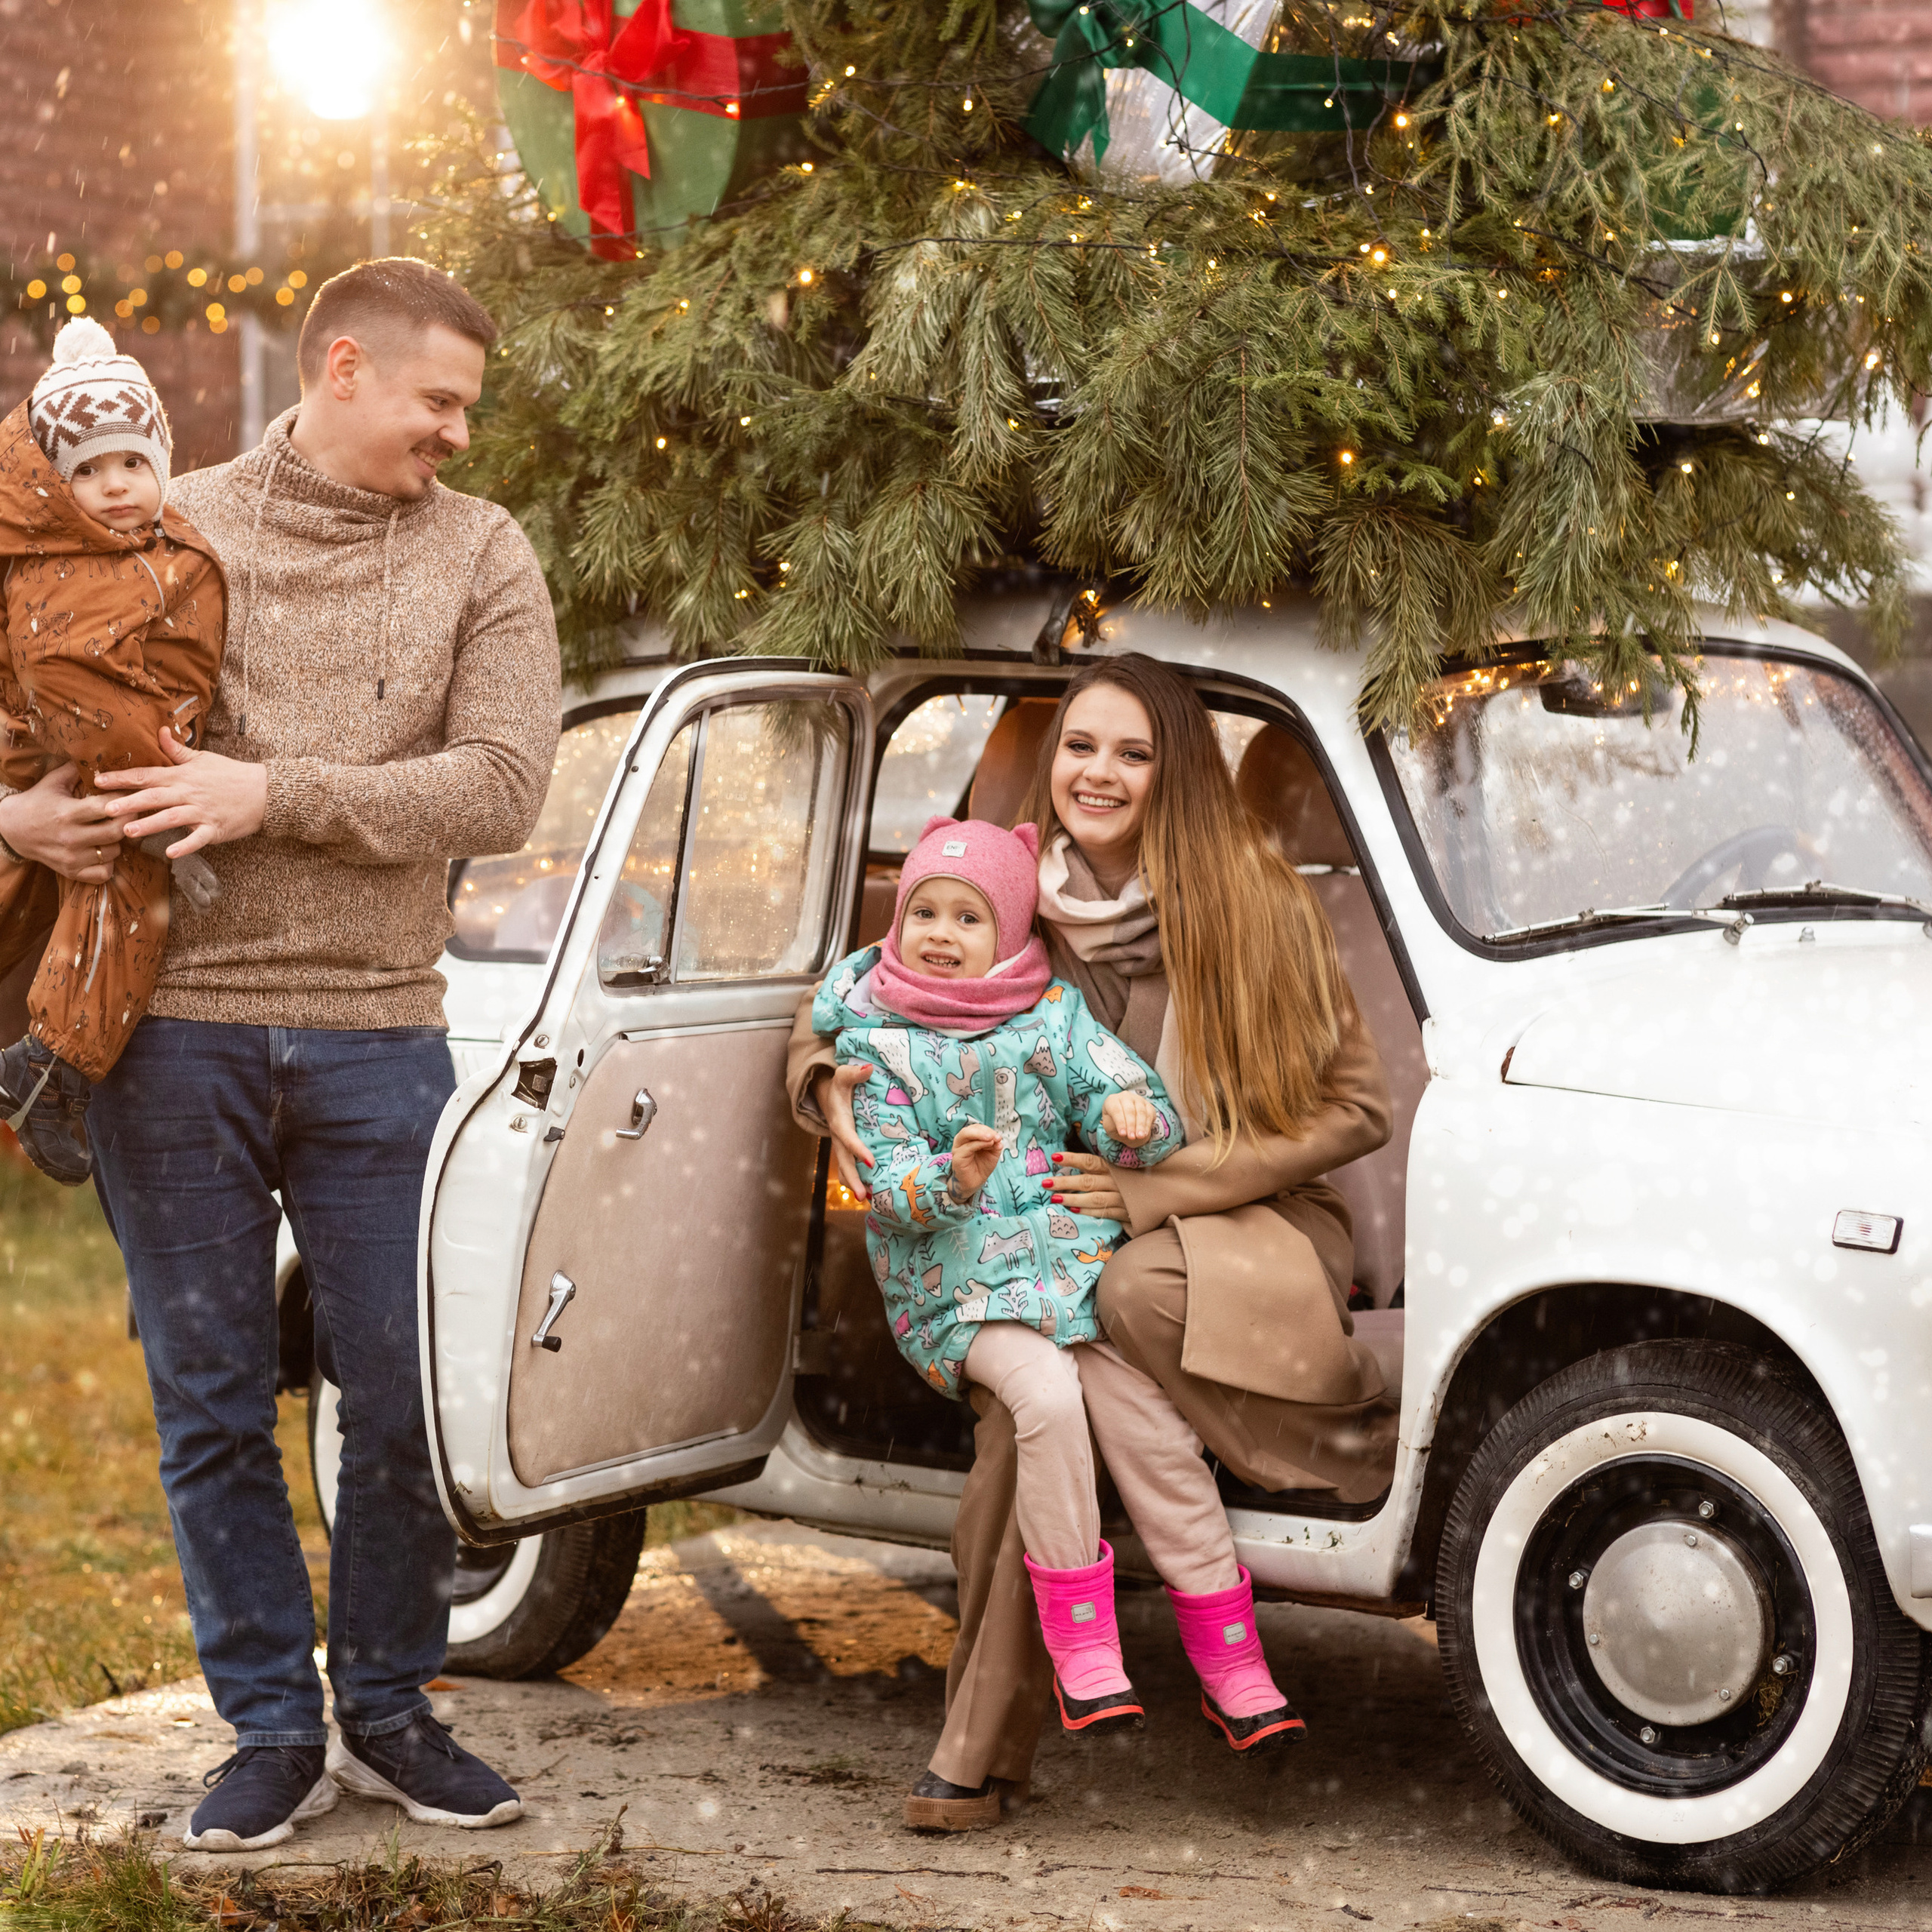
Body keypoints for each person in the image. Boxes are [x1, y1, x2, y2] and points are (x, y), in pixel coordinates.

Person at [0, 260, 562, 1852]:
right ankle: (267, 1726)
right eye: (436, 401)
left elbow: (504, 781)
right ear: (341, 367)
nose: (455, 433)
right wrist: (16, 815)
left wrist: (275, 790)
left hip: (381, 1029)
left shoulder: (482, 550)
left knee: (394, 1390)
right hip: (167, 1028)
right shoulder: (158, 520)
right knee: (209, 1395)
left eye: (465, 408)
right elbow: (23, 687)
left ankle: (389, 1703)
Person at [788, 652, 1398, 1832]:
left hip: (1239, 1219)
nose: (1098, 774)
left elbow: (1355, 1112)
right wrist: (828, 1087)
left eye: (1134, 752)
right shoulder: (1000, 889)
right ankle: (1158, 1669)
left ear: (1178, 772)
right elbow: (862, 1002)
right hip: (1032, 1240)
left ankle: (982, 1743)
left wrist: (1163, 1189)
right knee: (1044, 1394)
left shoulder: (1253, 899)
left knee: (1095, 1332)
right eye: (1079, 745)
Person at [819, 813, 1307, 1770]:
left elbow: (1133, 1110)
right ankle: (1083, 1644)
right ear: (897, 920)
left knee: (1153, 1428)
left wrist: (1132, 1120)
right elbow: (885, 1180)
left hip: (1068, 1274)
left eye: (969, 917)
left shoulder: (1051, 1016)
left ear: (1007, 933)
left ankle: (1231, 1657)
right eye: (925, 911)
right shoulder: (873, 1040)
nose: (942, 935)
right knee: (1044, 1398)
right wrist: (949, 1180)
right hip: (954, 1294)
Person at [0, 317, 225, 1183]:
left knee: (71, 892)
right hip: (91, 762)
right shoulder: (68, 562)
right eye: (87, 472)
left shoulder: (153, 553)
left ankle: (48, 1064)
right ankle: (54, 1062)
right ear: (58, 489)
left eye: (133, 463)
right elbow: (74, 685)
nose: (117, 487)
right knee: (119, 895)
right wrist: (158, 798)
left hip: (104, 757)